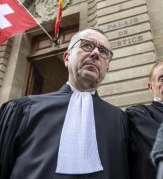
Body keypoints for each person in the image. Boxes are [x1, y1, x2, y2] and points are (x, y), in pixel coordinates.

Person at [0, 28, 129, 179]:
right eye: (87, 45)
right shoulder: (23, 109)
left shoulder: (120, 119)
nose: (95, 53)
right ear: (67, 58)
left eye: (103, 51)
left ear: (107, 67)